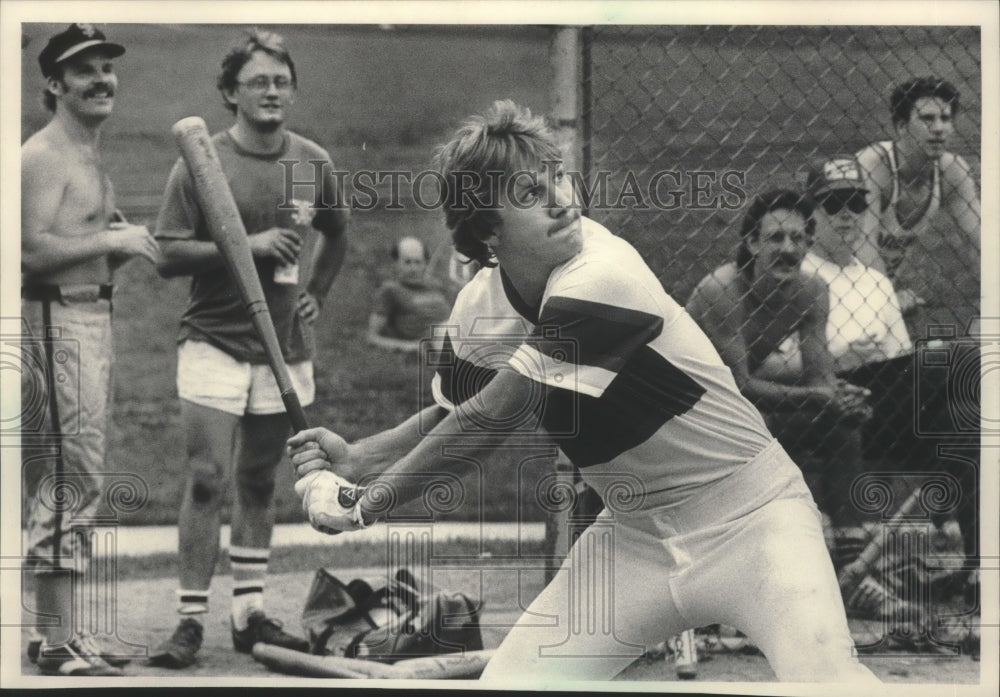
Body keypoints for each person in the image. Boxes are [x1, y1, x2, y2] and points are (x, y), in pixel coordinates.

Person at [286, 101, 879, 683]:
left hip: (753, 520)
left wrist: (364, 503)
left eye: (557, 179)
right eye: (528, 193)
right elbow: (452, 414)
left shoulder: (603, 273)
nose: (560, 200)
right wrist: (360, 459)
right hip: (635, 541)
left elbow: (494, 416)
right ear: (487, 228)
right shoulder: (479, 306)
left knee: (827, 682)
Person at [149, 29, 348, 668]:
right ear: (231, 92)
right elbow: (167, 253)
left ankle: (249, 615)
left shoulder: (312, 161)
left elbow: (337, 233)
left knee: (260, 479)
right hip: (213, 341)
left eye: (281, 80)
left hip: (284, 347)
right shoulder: (201, 160)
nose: (271, 91)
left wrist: (316, 288)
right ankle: (187, 622)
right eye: (257, 81)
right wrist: (249, 246)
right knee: (207, 479)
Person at [20, 23, 160, 676]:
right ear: (54, 83)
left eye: (108, 67)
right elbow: (28, 251)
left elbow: (80, 254)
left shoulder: (86, 153)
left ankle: (57, 631)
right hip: (54, 324)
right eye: (84, 70)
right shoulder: (43, 155)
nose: (102, 79)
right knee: (66, 477)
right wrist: (111, 243)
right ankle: (56, 643)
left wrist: (119, 249)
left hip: (88, 320)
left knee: (78, 476)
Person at [685, 188, 871, 530]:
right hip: (688, 411)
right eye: (775, 238)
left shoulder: (813, 290)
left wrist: (841, 398)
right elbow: (738, 386)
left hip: (743, 410)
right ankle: (761, 540)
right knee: (758, 424)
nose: (788, 249)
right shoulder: (721, 290)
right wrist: (820, 396)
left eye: (797, 238)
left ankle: (851, 551)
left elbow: (819, 376)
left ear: (809, 244)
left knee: (843, 426)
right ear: (753, 244)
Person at [854, 76, 981, 339]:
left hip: (882, 293)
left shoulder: (952, 171)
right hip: (837, 286)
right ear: (901, 126)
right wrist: (888, 299)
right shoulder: (873, 164)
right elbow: (862, 246)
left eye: (945, 119)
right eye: (927, 119)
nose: (939, 128)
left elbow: (980, 242)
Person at [367, 236, 452, 353]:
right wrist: (410, 346)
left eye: (418, 262)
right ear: (396, 264)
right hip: (438, 338)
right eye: (407, 262)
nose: (413, 269)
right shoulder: (391, 290)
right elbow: (372, 337)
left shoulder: (434, 285)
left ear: (424, 264)